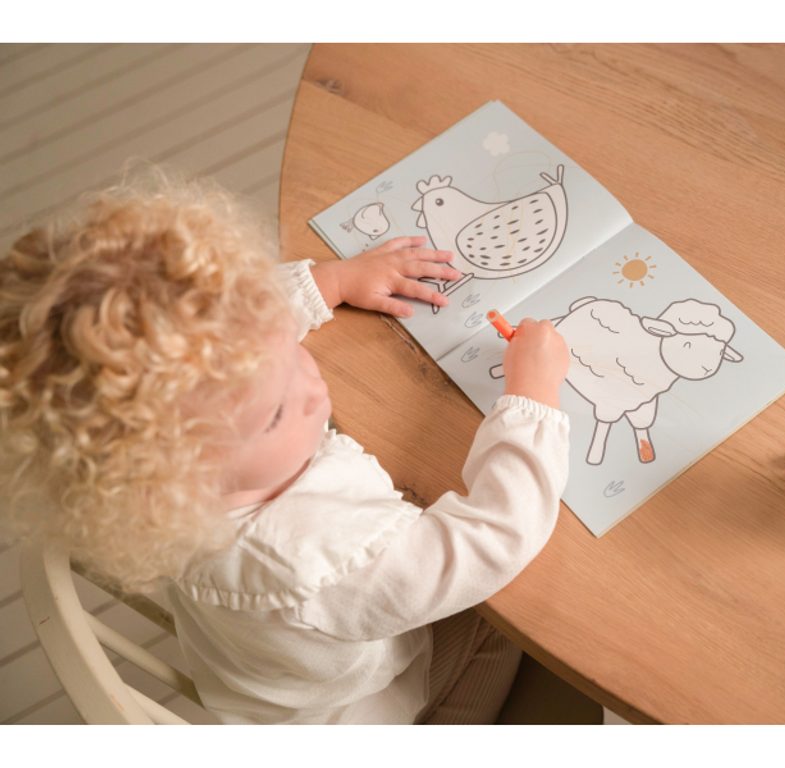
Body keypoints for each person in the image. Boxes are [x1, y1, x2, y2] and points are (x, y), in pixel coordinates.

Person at [0, 171, 571, 724]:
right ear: (178, 475)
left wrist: (333, 281)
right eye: (275, 411)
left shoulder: (145, 464)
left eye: (285, 348)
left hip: (262, 671)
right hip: (373, 711)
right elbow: (495, 539)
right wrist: (533, 397)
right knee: (509, 626)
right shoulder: (311, 556)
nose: (312, 383)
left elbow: (230, 320)